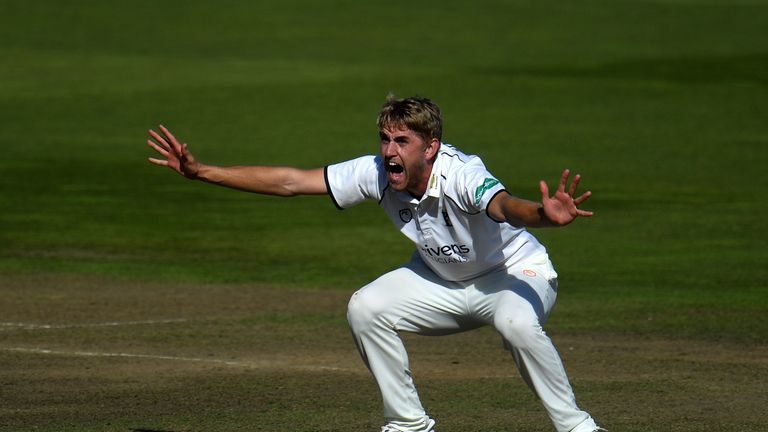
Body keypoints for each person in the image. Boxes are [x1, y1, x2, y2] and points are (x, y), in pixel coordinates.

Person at [146, 95, 605, 432]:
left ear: (431, 147)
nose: (389, 151)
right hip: (442, 282)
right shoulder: (377, 172)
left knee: (516, 324)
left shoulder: (462, 174)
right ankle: (408, 424)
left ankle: (578, 428)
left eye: (402, 141)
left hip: (514, 275)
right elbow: (291, 182)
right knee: (366, 307)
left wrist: (543, 216)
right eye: (385, 139)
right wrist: (201, 171)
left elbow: (505, 207)